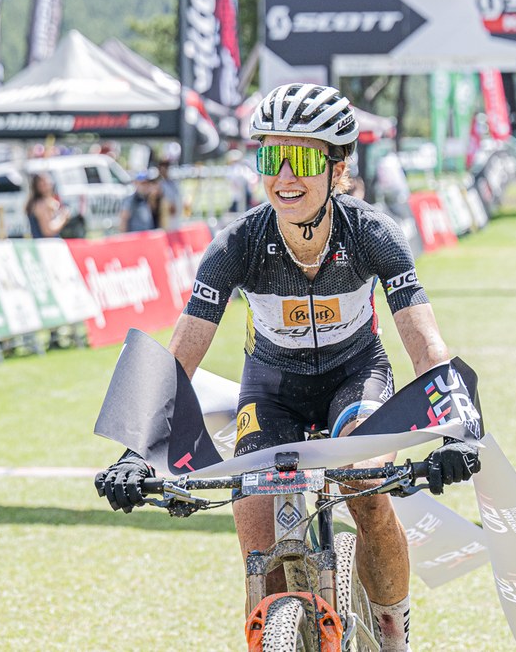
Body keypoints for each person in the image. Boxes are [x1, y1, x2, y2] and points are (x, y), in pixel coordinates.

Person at [98, 83, 478, 652]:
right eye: (271, 157)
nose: (284, 176)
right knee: (255, 529)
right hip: (271, 391)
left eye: (300, 159)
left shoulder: (372, 234)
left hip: (356, 378)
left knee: (365, 484)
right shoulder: (238, 244)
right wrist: (136, 450)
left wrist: (456, 429)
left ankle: (394, 635)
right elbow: (180, 354)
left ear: (337, 168)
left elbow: (426, 345)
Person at [25, 171, 73, 238]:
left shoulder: (40, 202)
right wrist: (63, 218)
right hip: (46, 243)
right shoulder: (41, 204)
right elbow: (48, 232)